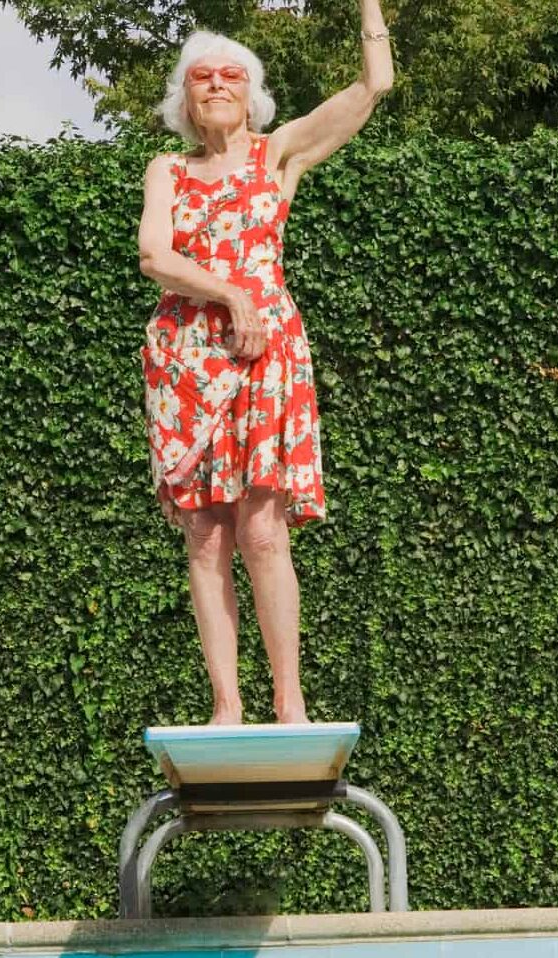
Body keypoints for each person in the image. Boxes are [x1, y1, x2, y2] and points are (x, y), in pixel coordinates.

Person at [136, 2, 393, 725]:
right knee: (206, 533)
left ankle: (289, 702)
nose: (216, 84)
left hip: (262, 359)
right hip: (187, 364)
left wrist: (368, 5)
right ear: (183, 97)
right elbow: (155, 255)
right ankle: (226, 705)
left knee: (263, 529)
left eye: (231, 75)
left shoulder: (276, 154)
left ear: (252, 92)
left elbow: (375, 85)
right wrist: (228, 294)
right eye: (201, 76)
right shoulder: (168, 170)